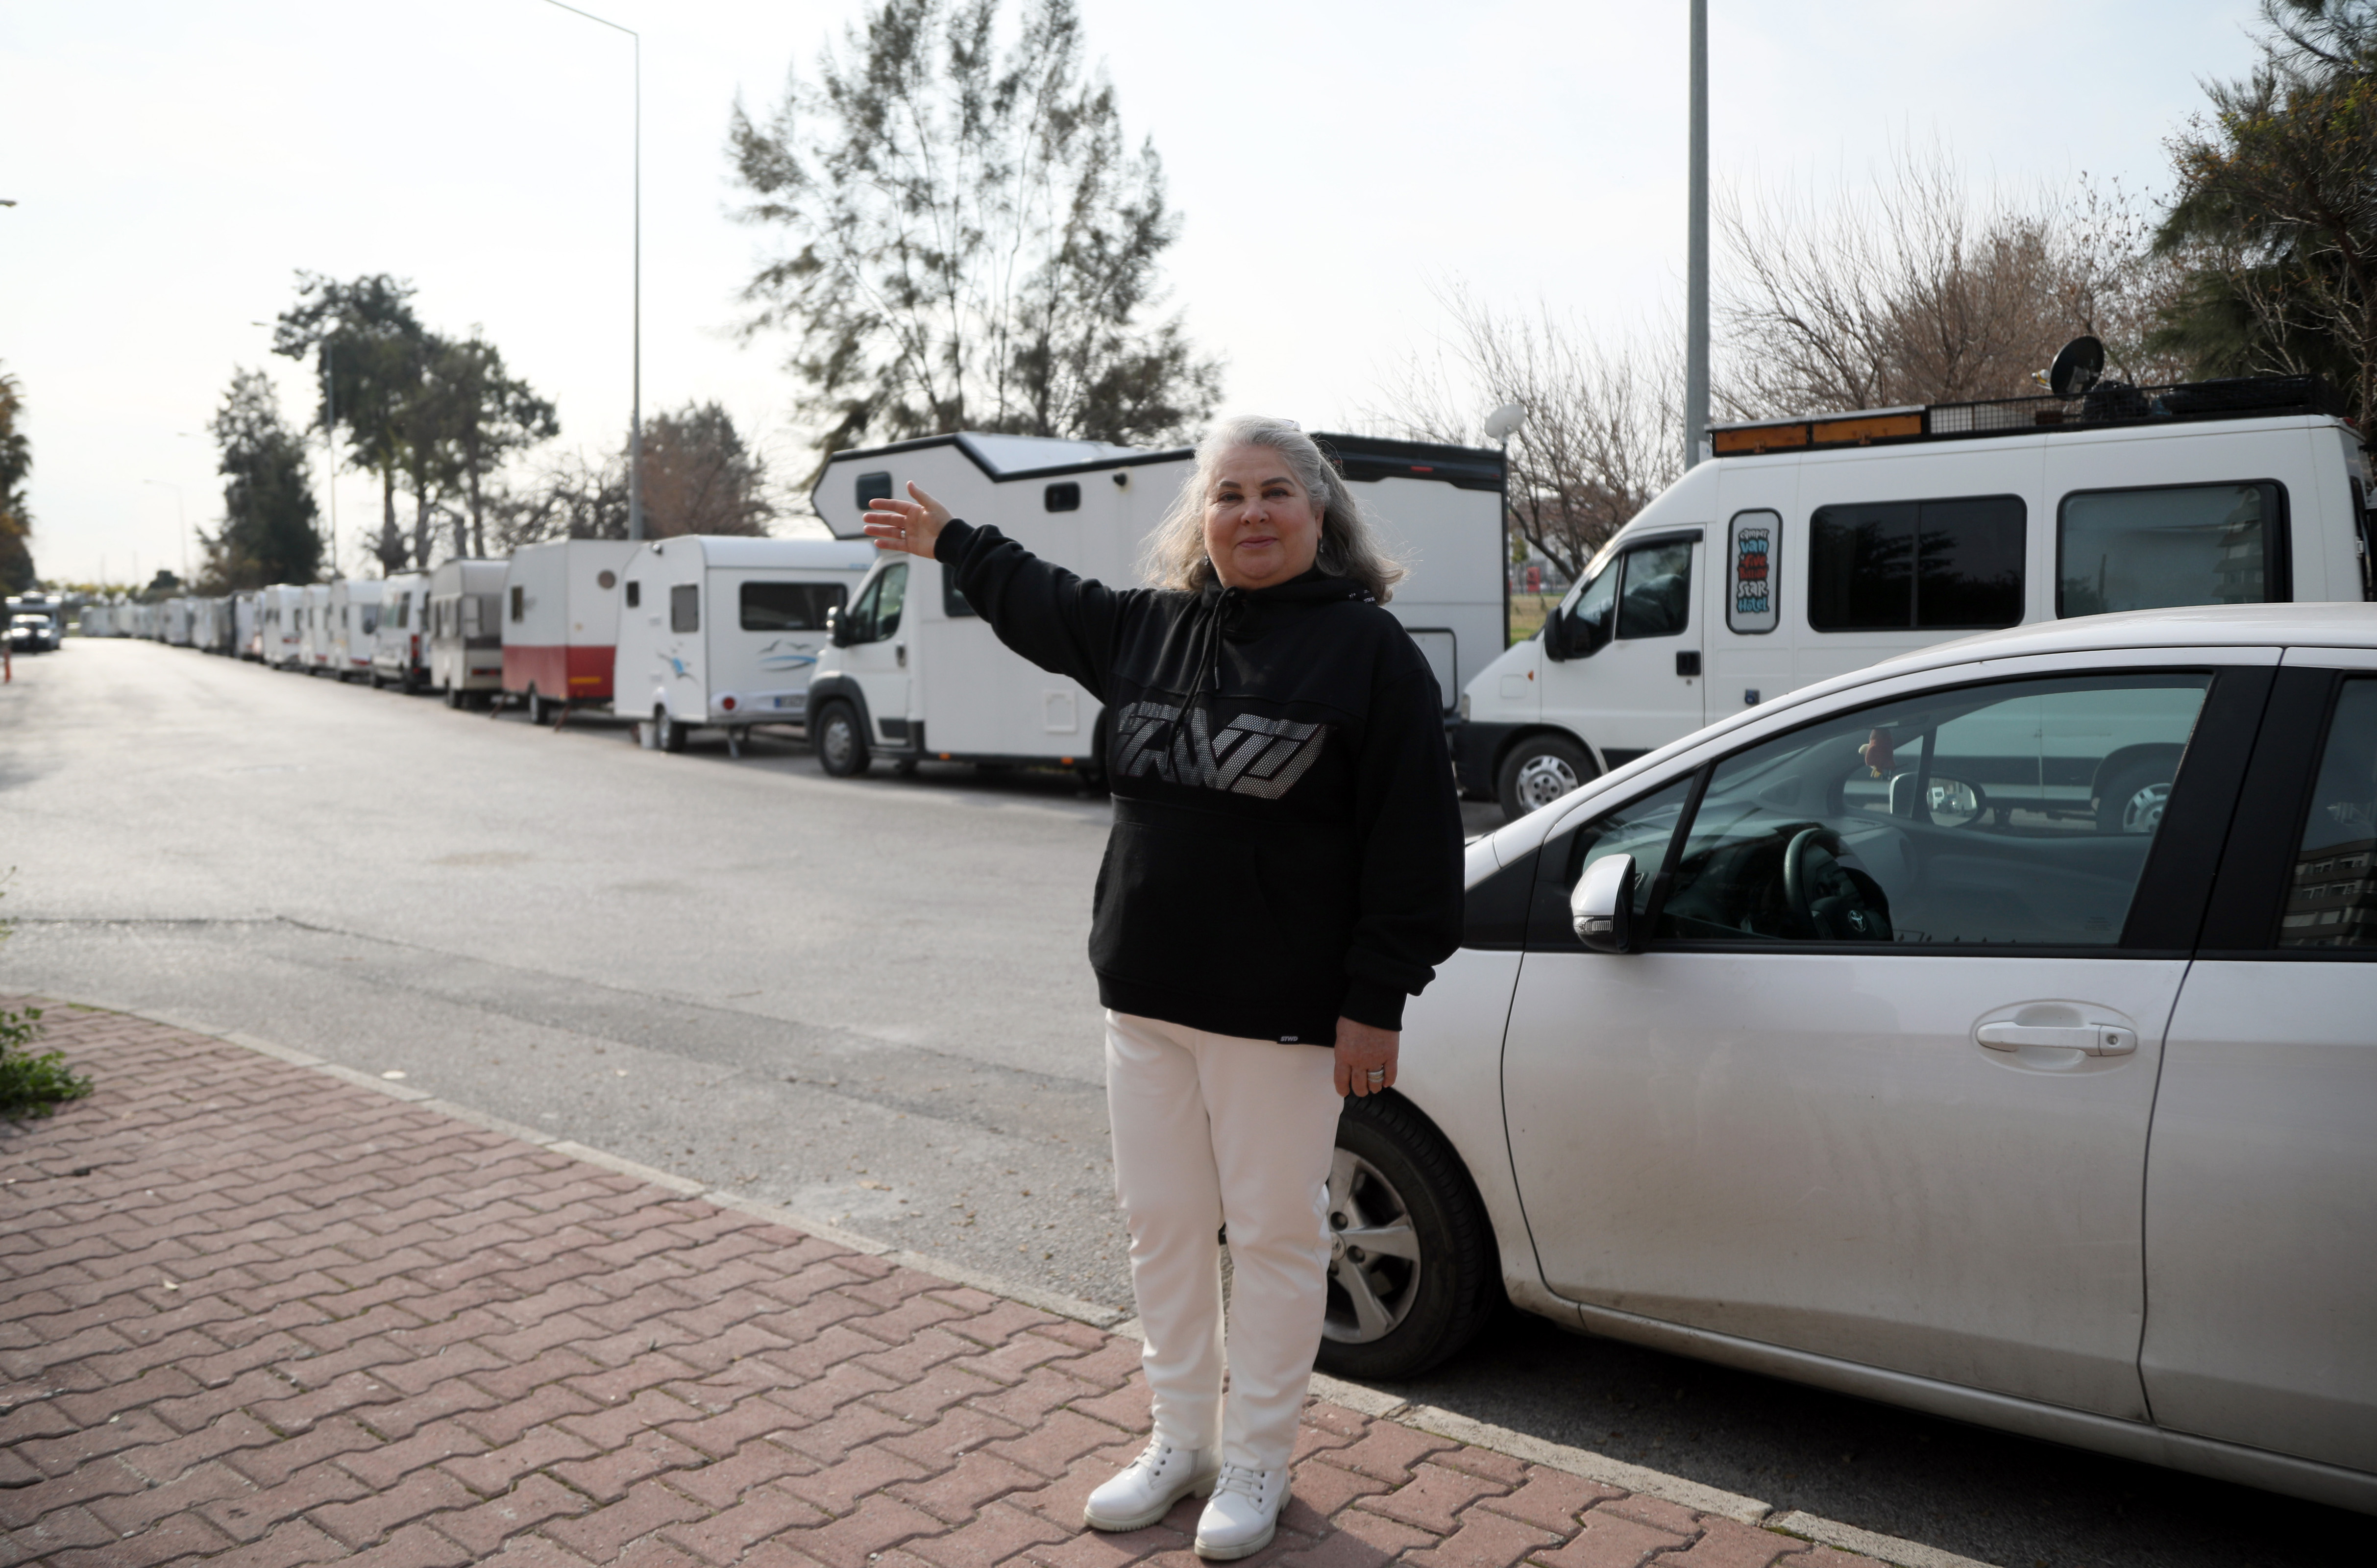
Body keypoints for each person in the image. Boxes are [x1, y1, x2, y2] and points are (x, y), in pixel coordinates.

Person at [861, 416, 1464, 1559]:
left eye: (1274, 492)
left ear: (1319, 513)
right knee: (1164, 1229)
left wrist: (1376, 998)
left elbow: (1415, 847)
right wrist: (950, 541)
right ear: (1202, 516)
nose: (1249, 513)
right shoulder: (1149, 631)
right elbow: (1042, 600)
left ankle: (1257, 1458)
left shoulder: (1368, 653)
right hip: (1142, 1002)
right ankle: (1179, 1439)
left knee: (1279, 1238)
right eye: (1227, 493)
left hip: (1282, 1017)